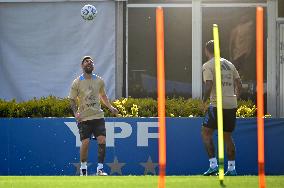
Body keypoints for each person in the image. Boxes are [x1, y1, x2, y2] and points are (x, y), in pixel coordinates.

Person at [69, 56, 119, 176]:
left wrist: (111, 107)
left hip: (98, 116)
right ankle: (83, 169)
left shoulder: (99, 81)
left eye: (91, 62)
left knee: (102, 140)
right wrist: (76, 113)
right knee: (85, 142)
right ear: (82, 65)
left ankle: (100, 169)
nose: (89, 63)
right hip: (84, 118)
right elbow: (71, 99)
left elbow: (103, 96)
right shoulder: (77, 82)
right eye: (86, 62)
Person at [201, 40, 242, 176]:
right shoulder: (229, 64)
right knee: (227, 137)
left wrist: (203, 101)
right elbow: (239, 84)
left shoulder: (208, 65)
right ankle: (231, 169)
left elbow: (208, 84)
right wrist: (234, 97)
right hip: (231, 105)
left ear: (207, 51)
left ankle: (213, 166)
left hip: (217, 104)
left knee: (206, 133)